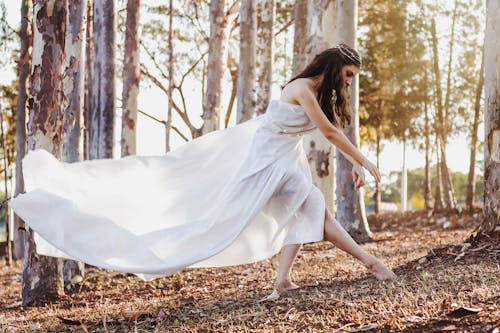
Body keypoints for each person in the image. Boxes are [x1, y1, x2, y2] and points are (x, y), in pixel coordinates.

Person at [11, 43, 395, 301]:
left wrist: (352, 162)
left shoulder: (317, 92)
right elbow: (328, 132)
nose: (348, 83)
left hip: (283, 161)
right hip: (263, 164)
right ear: (332, 68)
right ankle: (134, 244)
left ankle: (297, 277)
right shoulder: (300, 88)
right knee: (211, 225)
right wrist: (362, 160)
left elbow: (330, 130)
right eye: (347, 75)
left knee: (312, 208)